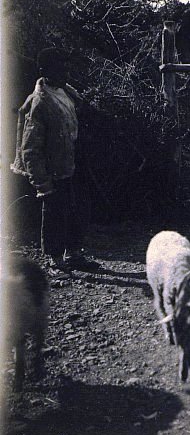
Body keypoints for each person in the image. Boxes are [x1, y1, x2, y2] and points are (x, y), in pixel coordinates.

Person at [11, 47, 98, 272]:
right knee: (54, 214)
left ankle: (73, 254)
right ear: (45, 71)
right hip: (53, 169)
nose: (65, 71)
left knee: (78, 209)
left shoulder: (67, 93)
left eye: (65, 66)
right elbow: (30, 147)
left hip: (71, 163)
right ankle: (55, 259)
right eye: (59, 67)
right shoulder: (39, 102)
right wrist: (41, 182)